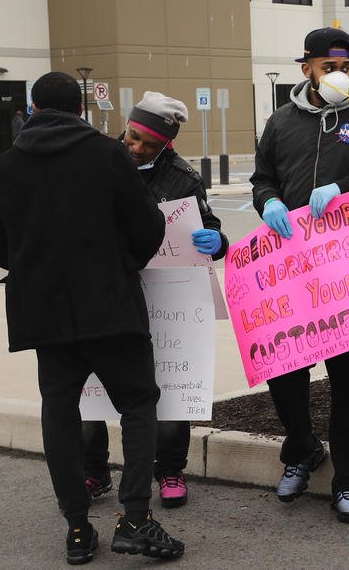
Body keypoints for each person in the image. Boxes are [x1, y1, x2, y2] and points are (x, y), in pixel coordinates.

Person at [0, 71, 184, 564]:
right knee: (138, 404)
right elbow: (147, 225)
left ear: (31, 108)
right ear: (81, 109)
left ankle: (76, 528)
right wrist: (121, 265)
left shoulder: (4, 168)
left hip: (44, 314)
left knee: (60, 412)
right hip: (110, 306)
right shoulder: (107, 155)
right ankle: (136, 519)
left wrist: (35, 268)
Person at [251, 27, 349, 523]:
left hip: (348, 269)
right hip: (290, 270)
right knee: (285, 371)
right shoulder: (280, 122)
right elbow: (262, 179)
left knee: (348, 381)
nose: (338, 74)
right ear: (306, 69)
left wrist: (344, 187)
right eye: (327, 66)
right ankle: (301, 450)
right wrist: (269, 202)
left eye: (344, 66)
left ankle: (348, 483)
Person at [82, 91, 228, 510]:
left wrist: (216, 240)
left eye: (149, 143)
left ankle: (169, 469)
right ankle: (93, 469)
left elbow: (208, 224)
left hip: (166, 297)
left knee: (171, 385)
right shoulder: (99, 161)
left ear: (168, 145)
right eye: (132, 137)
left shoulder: (183, 176)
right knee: (91, 385)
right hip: (106, 289)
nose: (136, 148)